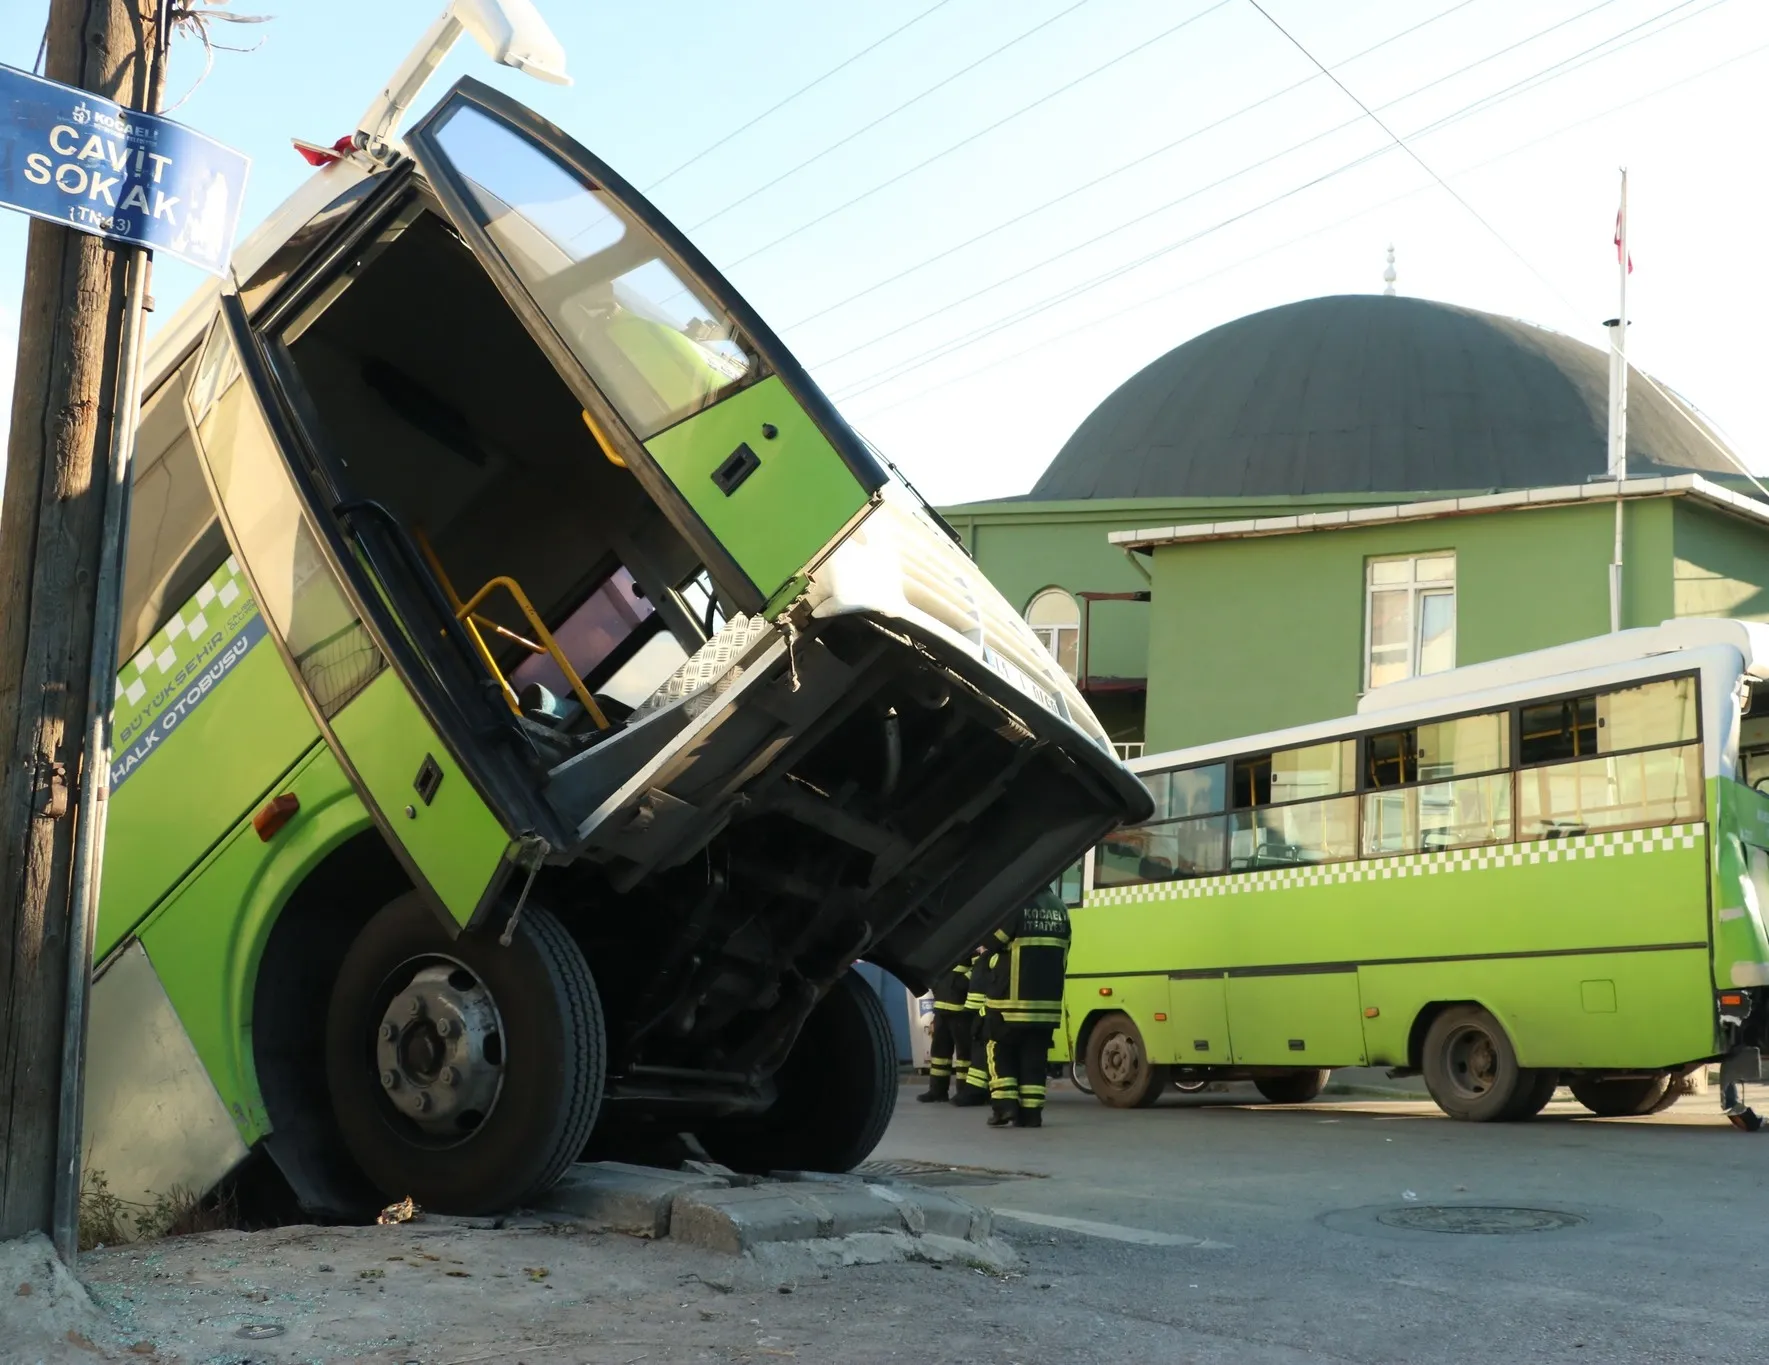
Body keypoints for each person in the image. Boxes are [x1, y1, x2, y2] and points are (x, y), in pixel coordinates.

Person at [984, 888, 1071, 1129]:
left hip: (1010, 1003)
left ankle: (1005, 1107)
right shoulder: (1061, 909)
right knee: (1034, 1059)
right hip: (1047, 1004)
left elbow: (993, 941)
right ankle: (1032, 1115)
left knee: (999, 1050)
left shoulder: (1017, 905)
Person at [917, 952, 974, 1102]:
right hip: (941, 1008)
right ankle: (937, 1091)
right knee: (939, 1054)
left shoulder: (971, 944)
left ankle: (964, 1091)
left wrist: (960, 983)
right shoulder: (945, 946)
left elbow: (981, 968)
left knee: (964, 1054)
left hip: (962, 1010)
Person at [952, 945, 992, 1108]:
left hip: (984, 1011)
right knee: (978, 1051)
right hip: (976, 1011)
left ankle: (977, 1092)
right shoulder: (986, 958)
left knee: (982, 1052)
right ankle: (980, 1091)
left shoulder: (993, 958)